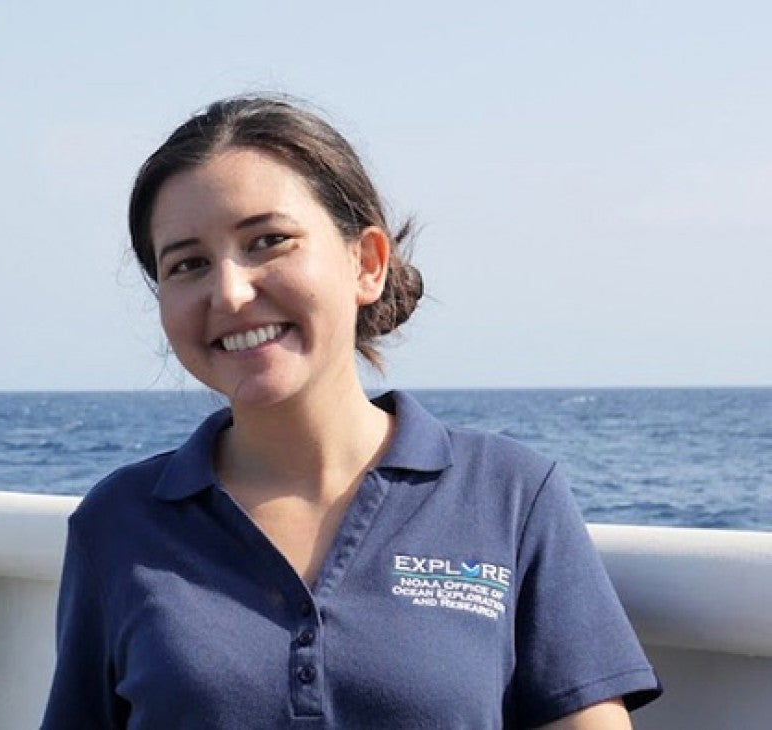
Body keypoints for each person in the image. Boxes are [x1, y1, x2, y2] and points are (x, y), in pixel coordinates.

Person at [41, 96, 661, 729]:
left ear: (366, 263)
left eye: (268, 241)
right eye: (188, 264)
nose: (229, 291)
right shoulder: (119, 524)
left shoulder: (508, 497)